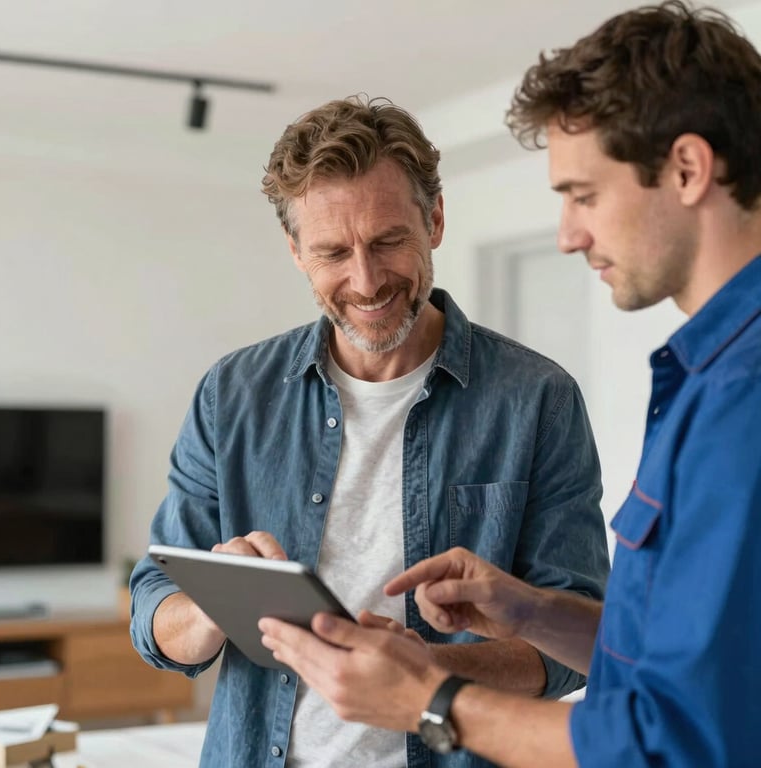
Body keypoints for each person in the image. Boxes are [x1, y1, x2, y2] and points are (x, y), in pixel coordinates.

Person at [258, 3, 761, 766]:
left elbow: (673, 741)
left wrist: (425, 699)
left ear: (687, 168)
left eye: (583, 194)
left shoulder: (741, 398)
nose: (568, 234)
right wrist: (531, 609)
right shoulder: (702, 376)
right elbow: (676, 659)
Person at [129, 95, 609, 767]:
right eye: (332, 251)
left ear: (435, 218)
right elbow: (153, 611)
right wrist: (213, 607)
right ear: (296, 252)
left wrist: (424, 675)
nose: (366, 280)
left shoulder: (538, 400)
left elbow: (579, 648)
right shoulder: (231, 394)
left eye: (387, 241)